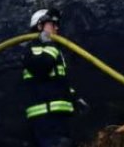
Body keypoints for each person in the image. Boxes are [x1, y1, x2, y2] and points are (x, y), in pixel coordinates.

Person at [22, 8, 86, 147]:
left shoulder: (54, 50)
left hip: (60, 117)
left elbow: (59, 82)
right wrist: (49, 44)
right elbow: (42, 67)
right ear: (39, 26)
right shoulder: (31, 49)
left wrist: (75, 98)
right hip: (45, 120)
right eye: (53, 24)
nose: (57, 27)